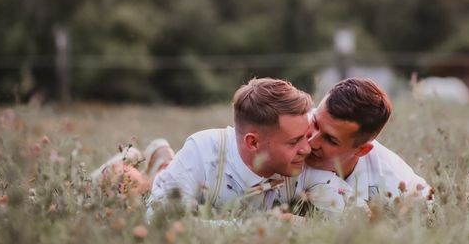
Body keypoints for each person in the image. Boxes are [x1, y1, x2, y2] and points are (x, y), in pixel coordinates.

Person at [146, 78, 351, 217]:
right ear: (253, 142)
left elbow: (355, 213)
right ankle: (157, 166)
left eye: (306, 136)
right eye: (294, 141)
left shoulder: (302, 164)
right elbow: (160, 219)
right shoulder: (202, 150)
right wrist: (252, 226)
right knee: (138, 184)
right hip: (177, 177)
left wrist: (308, 226)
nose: (307, 149)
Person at [305, 78, 433, 207]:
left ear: (362, 150)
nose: (311, 142)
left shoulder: (393, 179)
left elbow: (429, 205)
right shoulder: (288, 126)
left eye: (330, 140)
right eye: (315, 123)